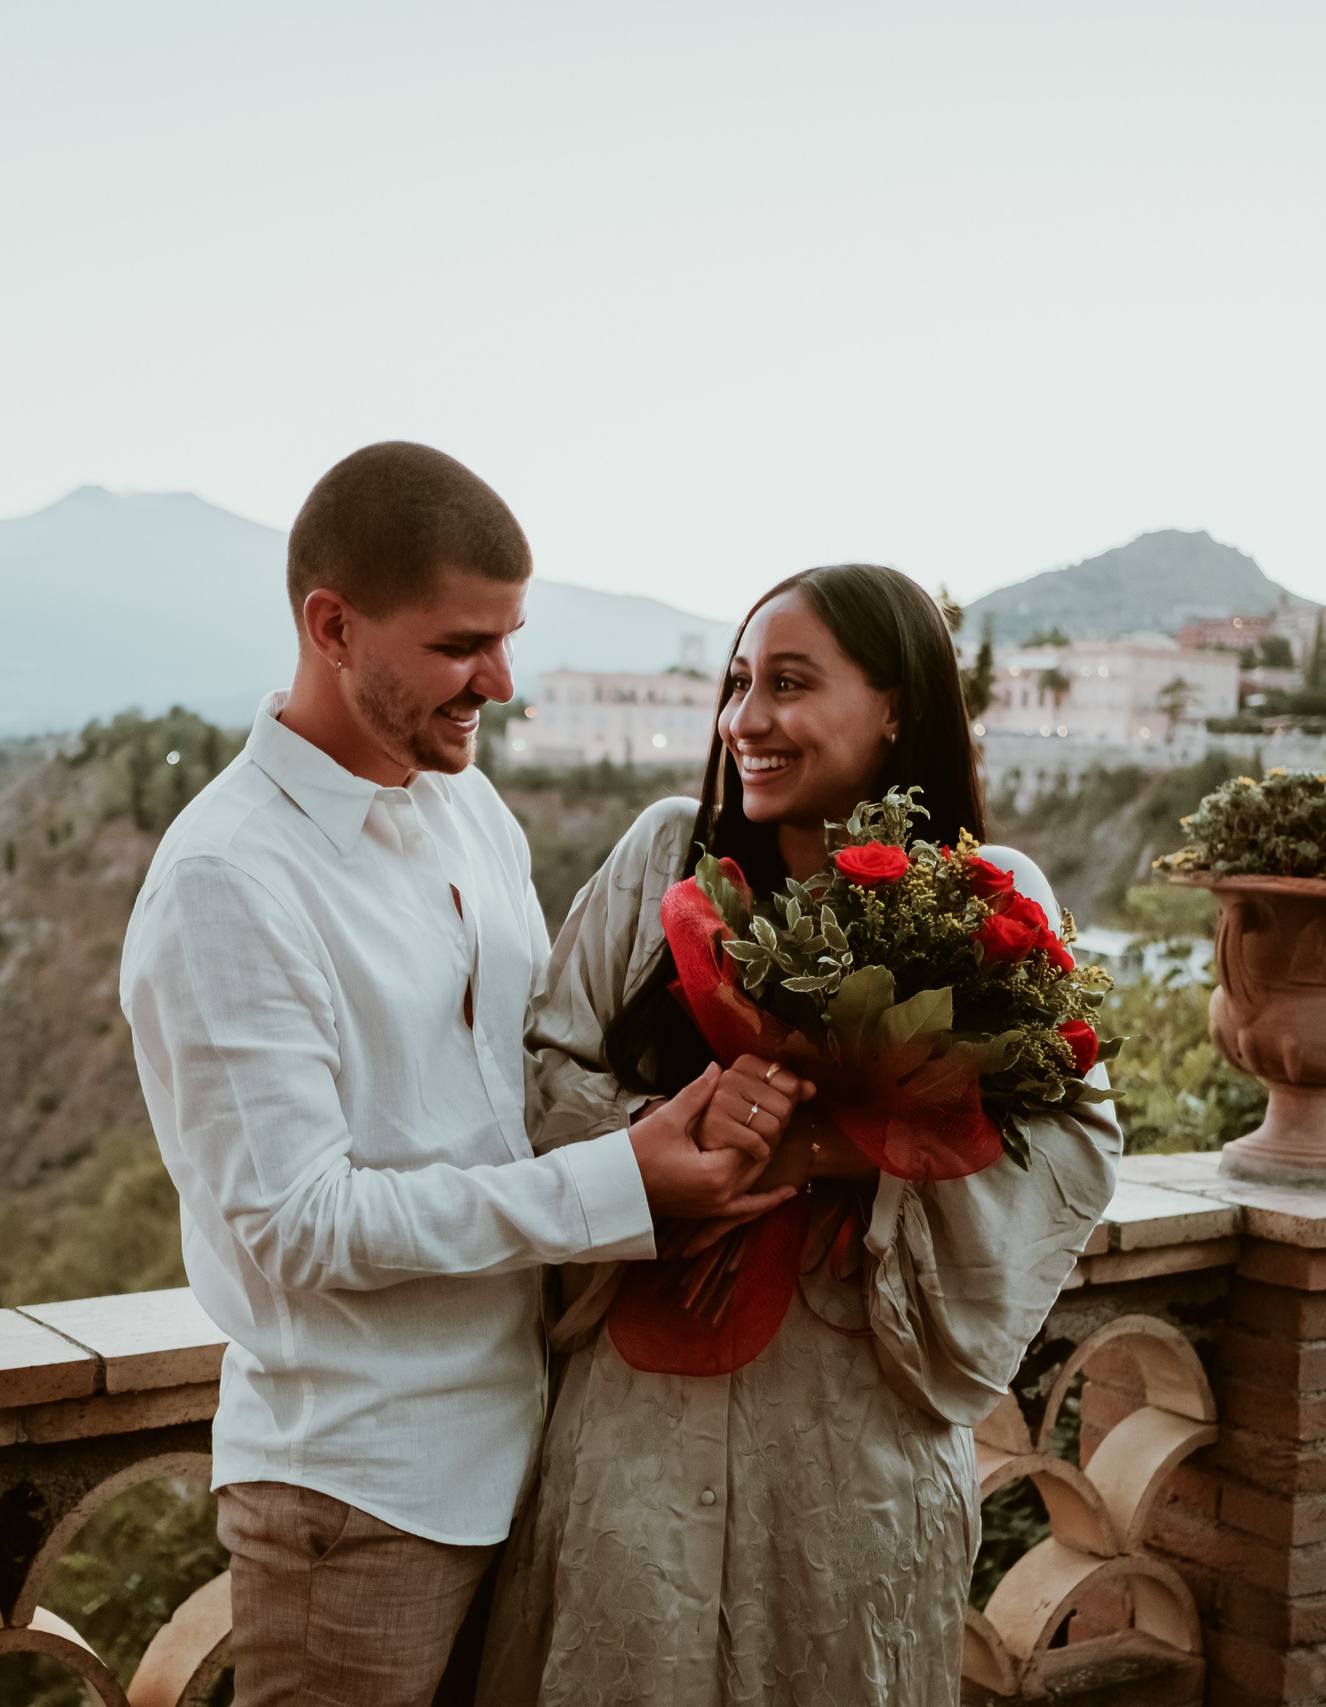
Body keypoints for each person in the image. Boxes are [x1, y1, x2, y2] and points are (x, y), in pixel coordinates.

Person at [120, 441, 799, 1707]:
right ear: (331, 625)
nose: (498, 678)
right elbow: (293, 1225)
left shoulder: (470, 813)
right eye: (457, 645)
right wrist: (619, 1188)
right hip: (357, 1490)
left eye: (508, 636)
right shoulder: (227, 880)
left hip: (529, 1452)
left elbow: (525, 1084)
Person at [478, 565, 1122, 1707]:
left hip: (852, 1448)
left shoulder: (985, 894)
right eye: (737, 684)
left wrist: (825, 1148)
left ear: (893, 706)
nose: (746, 721)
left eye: (787, 683)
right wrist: (663, 1139)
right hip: (639, 1431)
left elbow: (1074, 1139)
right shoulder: (663, 859)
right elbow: (540, 1071)